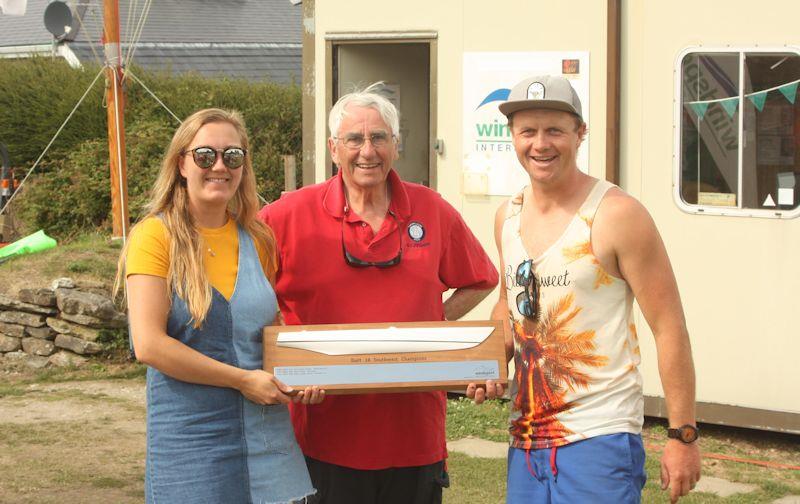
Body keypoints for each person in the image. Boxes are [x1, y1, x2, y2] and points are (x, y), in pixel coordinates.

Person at [258, 83, 499, 504]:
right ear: (334, 148)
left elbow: (482, 278)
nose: (367, 151)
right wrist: (287, 350)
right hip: (322, 433)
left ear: (396, 146)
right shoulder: (285, 215)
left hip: (414, 436)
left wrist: (432, 332)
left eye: (379, 138)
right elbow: (247, 293)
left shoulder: (432, 210)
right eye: (354, 139)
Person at [490, 76, 701, 503]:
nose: (540, 144)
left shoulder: (617, 214)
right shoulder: (506, 217)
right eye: (528, 131)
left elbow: (669, 326)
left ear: (579, 133)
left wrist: (683, 435)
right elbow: (508, 307)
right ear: (512, 136)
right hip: (526, 438)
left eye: (555, 130)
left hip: (599, 437)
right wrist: (485, 364)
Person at [116, 108, 321, 504]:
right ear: (181, 163)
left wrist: (303, 375)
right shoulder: (154, 237)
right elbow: (149, 345)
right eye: (205, 155)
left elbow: (268, 330)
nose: (220, 166)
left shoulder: (259, 239)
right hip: (192, 445)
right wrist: (243, 380)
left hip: (267, 440)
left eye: (233, 156)